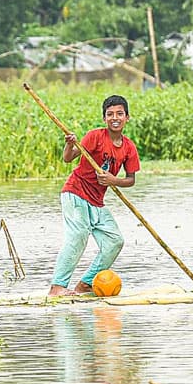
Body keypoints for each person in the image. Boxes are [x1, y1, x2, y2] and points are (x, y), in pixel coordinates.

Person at [48, 95, 140, 297]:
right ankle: (57, 287)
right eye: (110, 114)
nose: (115, 118)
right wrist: (70, 144)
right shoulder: (95, 136)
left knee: (115, 241)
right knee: (78, 235)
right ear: (104, 118)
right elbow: (67, 158)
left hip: (97, 201)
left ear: (127, 117)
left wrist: (112, 180)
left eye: (119, 114)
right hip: (75, 193)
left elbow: (130, 179)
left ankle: (86, 284)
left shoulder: (129, 147)